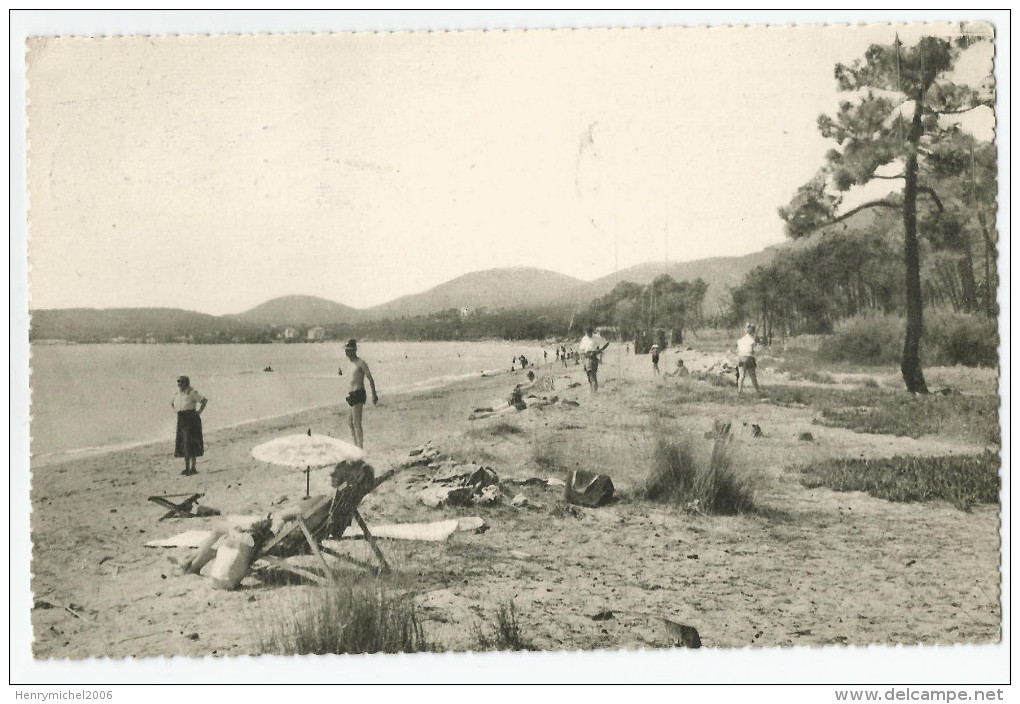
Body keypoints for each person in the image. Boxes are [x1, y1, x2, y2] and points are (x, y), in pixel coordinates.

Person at [342, 339, 378, 448]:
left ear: (354, 351)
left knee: (356, 422)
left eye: (348, 350)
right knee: (350, 423)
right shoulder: (349, 363)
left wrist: (374, 394)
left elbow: (370, 378)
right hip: (351, 395)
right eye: (346, 350)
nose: (346, 352)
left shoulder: (360, 363)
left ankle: (360, 448)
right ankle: (355, 446)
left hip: (358, 393)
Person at [171, 375, 207, 476]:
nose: (179, 384)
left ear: (186, 383)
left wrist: (199, 412)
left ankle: (193, 468)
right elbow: (172, 403)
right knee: (183, 444)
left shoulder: (192, 392)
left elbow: (204, 401)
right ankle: (186, 468)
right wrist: (177, 412)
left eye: (181, 382)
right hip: (181, 419)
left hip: (191, 419)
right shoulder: (177, 393)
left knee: (191, 444)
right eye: (178, 382)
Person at [579, 326, 610, 393]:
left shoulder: (596, 337)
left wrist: (599, 351)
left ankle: (594, 392)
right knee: (589, 376)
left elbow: (606, 343)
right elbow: (581, 349)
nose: (588, 334)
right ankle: (593, 389)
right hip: (586, 357)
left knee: (592, 375)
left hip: (593, 357)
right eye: (587, 333)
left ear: (592, 332)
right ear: (586, 332)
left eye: (590, 333)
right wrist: (583, 356)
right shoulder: (584, 339)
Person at [737, 323, 762, 397]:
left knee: (741, 376)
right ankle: (758, 391)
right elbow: (753, 351)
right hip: (749, 358)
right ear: (753, 332)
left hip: (741, 358)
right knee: (753, 376)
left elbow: (738, 350)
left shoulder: (740, 340)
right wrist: (759, 346)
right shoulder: (752, 341)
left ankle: (739, 391)